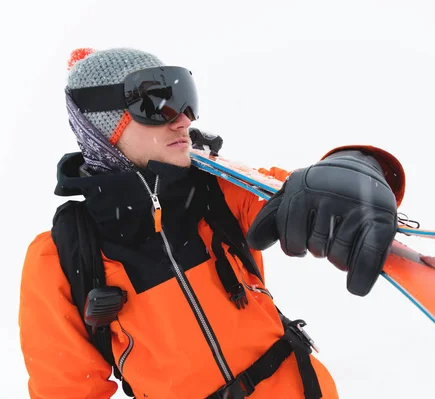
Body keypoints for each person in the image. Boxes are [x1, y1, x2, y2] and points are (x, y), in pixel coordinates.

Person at [18, 47, 406, 399]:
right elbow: (66, 391)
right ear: (102, 129)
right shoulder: (63, 256)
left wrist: (359, 171)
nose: (183, 119)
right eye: (158, 103)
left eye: (185, 98)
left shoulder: (219, 189)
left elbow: (304, 197)